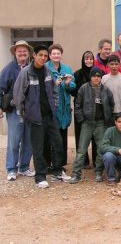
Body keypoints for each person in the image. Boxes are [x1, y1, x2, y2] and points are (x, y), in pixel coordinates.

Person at [13, 44, 70, 188]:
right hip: (35, 118)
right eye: (41, 55)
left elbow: (54, 91)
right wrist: (24, 113)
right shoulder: (25, 73)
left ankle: (57, 171)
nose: (43, 58)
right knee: (38, 148)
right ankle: (40, 177)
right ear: (34, 55)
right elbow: (18, 95)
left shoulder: (48, 71)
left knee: (58, 144)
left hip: (50, 116)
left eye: (45, 56)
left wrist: (54, 106)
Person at [69, 67, 115, 184]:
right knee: (81, 150)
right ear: (90, 77)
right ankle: (76, 174)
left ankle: (98, 171)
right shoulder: (84, 89)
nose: (96, 78)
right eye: (94, 76)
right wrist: (81, 119)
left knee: (101, 149)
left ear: (101, 77)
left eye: (98, 76)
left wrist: (107, 117)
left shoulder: (106, 90)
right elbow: (77, 104)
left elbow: (111, 104)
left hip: (100, 124)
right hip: (87, 123)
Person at [0, 40, 34, 181]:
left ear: (28, 53)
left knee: (28, 140)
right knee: (14, 141)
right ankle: (12, 169)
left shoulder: (33, 67)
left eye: (24, 51)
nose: (22, 53)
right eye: (19, 51)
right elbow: (0, 88)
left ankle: (24, 167)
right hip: (14, 111)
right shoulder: (8, 69)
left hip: (30, 110)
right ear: (15, 52)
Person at [45, 43, 76, 168]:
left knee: (62, 136)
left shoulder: (67, 68)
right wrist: (54, 84)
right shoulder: (45, 68)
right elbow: (43, 87)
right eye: (53, 54)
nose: (56, 55)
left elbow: (73, 86)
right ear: (50, 55)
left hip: (64, 108)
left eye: (58, 53)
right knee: (50, 138)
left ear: (61, 55)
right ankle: (49, 164)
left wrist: (68, 83)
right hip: (51, 108)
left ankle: (60, 164)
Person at [72, 51, 96, 168]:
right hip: (80, 109)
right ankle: (83, 160)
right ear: (83, 60)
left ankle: (97, 160)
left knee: (95, 135)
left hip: (95, 109)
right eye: (86, 59)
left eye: (91, 59)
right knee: (81, 135)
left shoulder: (96, 73)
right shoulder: (77, 74)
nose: (89, 61)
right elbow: (73, 91)